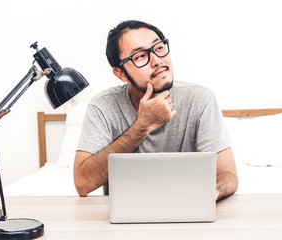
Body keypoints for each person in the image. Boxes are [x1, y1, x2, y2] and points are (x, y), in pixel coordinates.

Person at [73, 20, 238, 201]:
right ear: (120, 73)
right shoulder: (103, 106)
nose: (157, 61)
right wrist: (143, 126)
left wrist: (208, 194)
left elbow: (228, 175)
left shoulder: (200, 99)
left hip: (189, 214)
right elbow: (83, 183)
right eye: (140, 56)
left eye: (158, 48)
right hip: (125, 218)